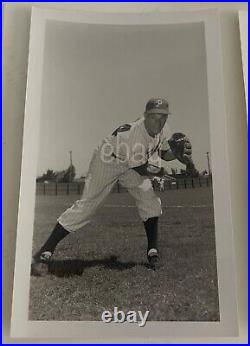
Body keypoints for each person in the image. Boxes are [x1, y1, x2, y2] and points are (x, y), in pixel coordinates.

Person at [32, 98, 193, 275]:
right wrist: (162, 172)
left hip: (129, 163)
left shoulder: (163, 130)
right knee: (87, 206)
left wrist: (175, 154)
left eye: (164, 117)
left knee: (149, 199)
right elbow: (141, 167)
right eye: (155, 117)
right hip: (107, 160)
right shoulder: (135, 133)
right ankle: (45, 250)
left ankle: (152, 252)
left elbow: (162, 152)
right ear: (145, 115)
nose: (160, 121)